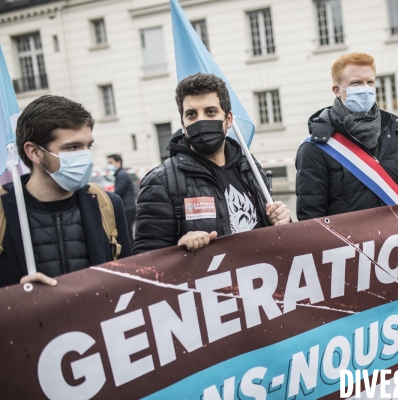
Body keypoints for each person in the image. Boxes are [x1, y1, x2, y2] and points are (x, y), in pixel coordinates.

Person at [134, 73, 290, 254]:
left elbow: (278, 240)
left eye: (210, 112)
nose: (201, 121)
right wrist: (179, 249)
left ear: (229, 119)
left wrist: (282, 221)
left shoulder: (249, 168)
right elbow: (146, 261)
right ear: (183, 124)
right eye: (191, 114)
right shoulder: (161, 182)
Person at [0, 95, 132, 287]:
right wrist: (16, 299)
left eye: (89, 146)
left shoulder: (108, 205)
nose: (85, 156)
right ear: (34, 152)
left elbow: (131, 281)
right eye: (72, 147)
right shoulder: (4, 210)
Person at [295, 52, 398, 220]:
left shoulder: (392, 133)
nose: (365, 89)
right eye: (356, 83)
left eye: (370, 82)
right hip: (351, 245)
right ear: (337, 91)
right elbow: (311, 220)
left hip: (396, 241)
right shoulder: (316, 147)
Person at [107, 154, 136, 241]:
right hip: (128, 207)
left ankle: (131, 253)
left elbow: (119, 191)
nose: (109, 165)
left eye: (111, 162)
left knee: (127, 234)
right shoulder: (121, 173)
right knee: (128, 233)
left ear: (118, 162)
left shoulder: (121, 174)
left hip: (127, 208)